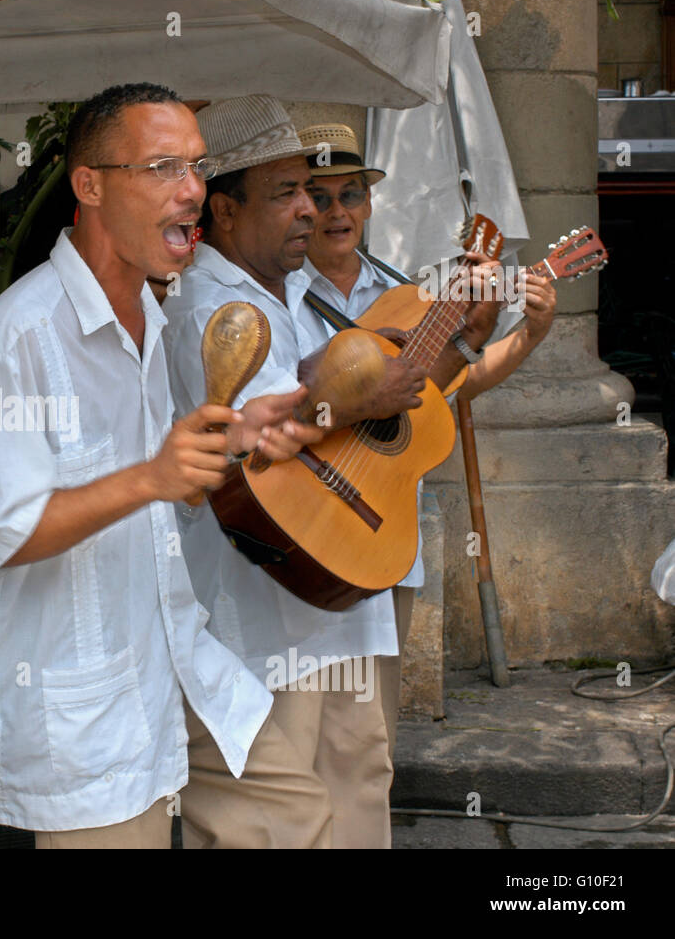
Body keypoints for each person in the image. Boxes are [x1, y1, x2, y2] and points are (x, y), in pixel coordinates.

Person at [0, 83, 322, 848]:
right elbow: (2, 533)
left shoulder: (151, 316)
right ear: (88, 185)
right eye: (161, 168)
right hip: (82, 706)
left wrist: (231, 441)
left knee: (297, 820)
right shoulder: (16, 337)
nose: (191, 191)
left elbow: (161, 493)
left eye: (195, 167)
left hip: (175, 659)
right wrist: (152, 476)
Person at [162, 96, 502, 848]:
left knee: (357, 785)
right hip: (260, 606)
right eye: (287, 194)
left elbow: (386, 405)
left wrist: (461, 345)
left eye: (314, 194)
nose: (310, 212)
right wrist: (345, 406)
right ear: (223, 208)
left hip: (339, 592)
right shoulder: (210, 308)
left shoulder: (286, 293)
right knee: (279, 823)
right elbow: (259, 456)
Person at [296, 122, 557, 754]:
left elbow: (444, 394)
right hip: (298, 524)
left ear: (369, 202)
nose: (337, 212)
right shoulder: (271, 293)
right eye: (320, 196)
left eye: (350, 195)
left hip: (383, 531)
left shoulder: (407, 294)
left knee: (366, 744)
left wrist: (525, 335)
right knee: (289, 747)